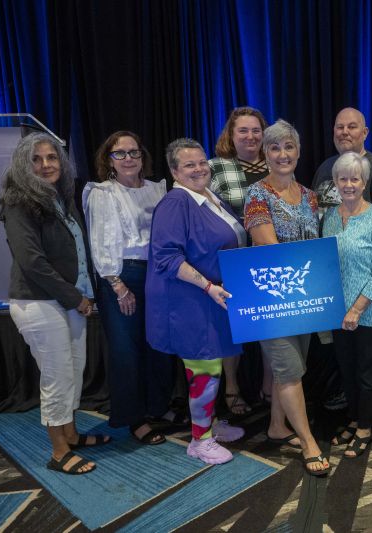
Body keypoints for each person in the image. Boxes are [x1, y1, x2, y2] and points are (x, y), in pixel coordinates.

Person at [0, 132, 107, 475]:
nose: (46, 165)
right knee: (57, 377)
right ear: (23, 166)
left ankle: (70, 434)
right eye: (37, 160)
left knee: (73, 370)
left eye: (52, 158)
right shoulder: (19, 203)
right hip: (39, 303)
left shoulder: (60, 198)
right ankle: (58, 452)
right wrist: (76, 298)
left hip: (69, 301)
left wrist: (82, 295)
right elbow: (33, 262)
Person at [146, 138, 246, 465]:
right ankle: (199, 441)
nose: (199, 169)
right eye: (189, 165)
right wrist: (206, 286)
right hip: (189, 300)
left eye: (202, 162)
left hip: (209, 299)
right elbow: (167, 257)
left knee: (211, 363)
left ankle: (210, 424)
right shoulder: (176, 202)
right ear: (175, 171)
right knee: (203, 367)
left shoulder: (208, 196)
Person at [244, 119, 330, 476]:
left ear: (298, 151)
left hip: (305, 297)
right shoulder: (257, 194)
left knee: (290, 368)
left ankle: (277, 427)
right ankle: (309, 441)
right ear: (265, 154)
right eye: (275, 148)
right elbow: (268, 248)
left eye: (289, 147)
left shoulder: (310, 196)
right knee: (289, 369)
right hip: (272, 297)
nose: (283, 154)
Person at [83, 130, 172, 445]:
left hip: (158, 275)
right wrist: (118, 285)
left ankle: (156, 407)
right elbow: (99, 242)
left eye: (133, 152)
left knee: (158, 346)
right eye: (119, 153)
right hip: (121, 276)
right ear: (108, 159)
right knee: (126, 352)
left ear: (142, 155)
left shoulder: (157, 189)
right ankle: (134, 419)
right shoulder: (102, 192)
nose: (128, 158)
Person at [312, 107, 372, 413]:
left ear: (365, 133)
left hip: (370, 284)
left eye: (352, 127)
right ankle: (353, 400)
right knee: (346, 355)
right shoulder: (325, 167)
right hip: (338, 286)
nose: (345, 132)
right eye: (339, 127)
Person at [321, 152, 372, 458]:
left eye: (355, 179)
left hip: (370, 313)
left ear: (364, 183)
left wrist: (357, 309)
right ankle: (354, 417)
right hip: (339, 312)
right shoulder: (331, 217)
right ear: (335, 182)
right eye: (343, 178)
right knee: (347, 370)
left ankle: (366, 427)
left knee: (366, 372)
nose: (348, 184)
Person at [209, 106, 271, 416]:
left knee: (272, 330)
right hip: (234, 261)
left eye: (256, 130)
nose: (250, 136)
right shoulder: (215, 168)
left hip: (270, 259)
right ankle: (232, 389)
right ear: (231, 136)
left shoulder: (278, 163)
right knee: (233, 330)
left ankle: (270, 390)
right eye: (243, 131)